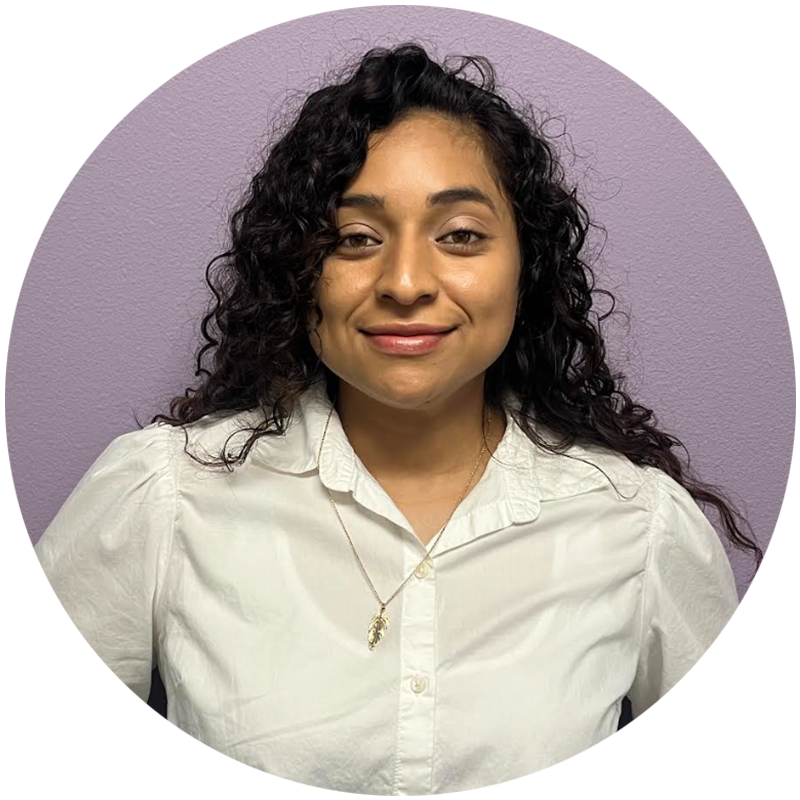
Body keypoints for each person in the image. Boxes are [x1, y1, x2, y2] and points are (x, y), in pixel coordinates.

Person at [6, 43, 788, 796]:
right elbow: (18, 761)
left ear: (527, 265)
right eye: (355, 239)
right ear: (297, 269)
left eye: (461, 236)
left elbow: (731, 784)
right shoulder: (167, 493)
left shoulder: (635, 521)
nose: (406, 282)